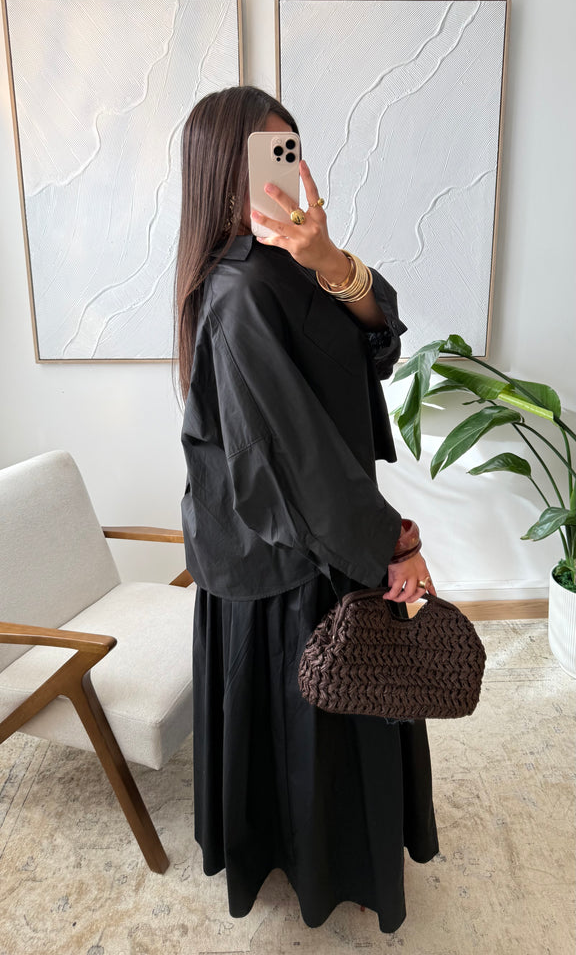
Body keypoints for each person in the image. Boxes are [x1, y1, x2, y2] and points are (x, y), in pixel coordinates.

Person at [175, 85, 439, 934]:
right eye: (266, 153)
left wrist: (328, 257)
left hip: (322, 523)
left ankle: (341, 854)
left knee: (339, 707)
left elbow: (378, 335)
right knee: (314, 719)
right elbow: (285, 456)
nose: (286, 170)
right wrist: (392, 544)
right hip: (278, 551)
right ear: (222, 171)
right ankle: (316, 864)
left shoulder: (294, 260)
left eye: (290, 150)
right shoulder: (237, 292)